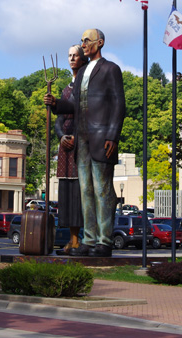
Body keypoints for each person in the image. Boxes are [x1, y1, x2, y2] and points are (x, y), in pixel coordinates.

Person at [45, 29, 126, 257]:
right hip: (82, 141)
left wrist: (112, 135)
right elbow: (74, 106)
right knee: (86, 191)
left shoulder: (111, 69)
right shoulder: (81, 74)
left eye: (87, 41)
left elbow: (119, 105)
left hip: (102, 140)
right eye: (81, 41)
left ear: (99, 43)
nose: (83, 45)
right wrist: (56, 104)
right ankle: (88, 240)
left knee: (102, 190)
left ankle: (104, 241)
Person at [54, 45, 88, 254]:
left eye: (76, 55)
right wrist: (61, 136)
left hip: (81, 145)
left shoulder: (86, 87)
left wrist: (77, 136)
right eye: (69, 55)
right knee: (66, 193)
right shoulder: (66, 89)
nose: (72, 58)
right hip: (65, 150)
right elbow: (59, 120)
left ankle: (82, 239)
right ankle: (72, 239)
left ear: (83, 58)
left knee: (79, 193)